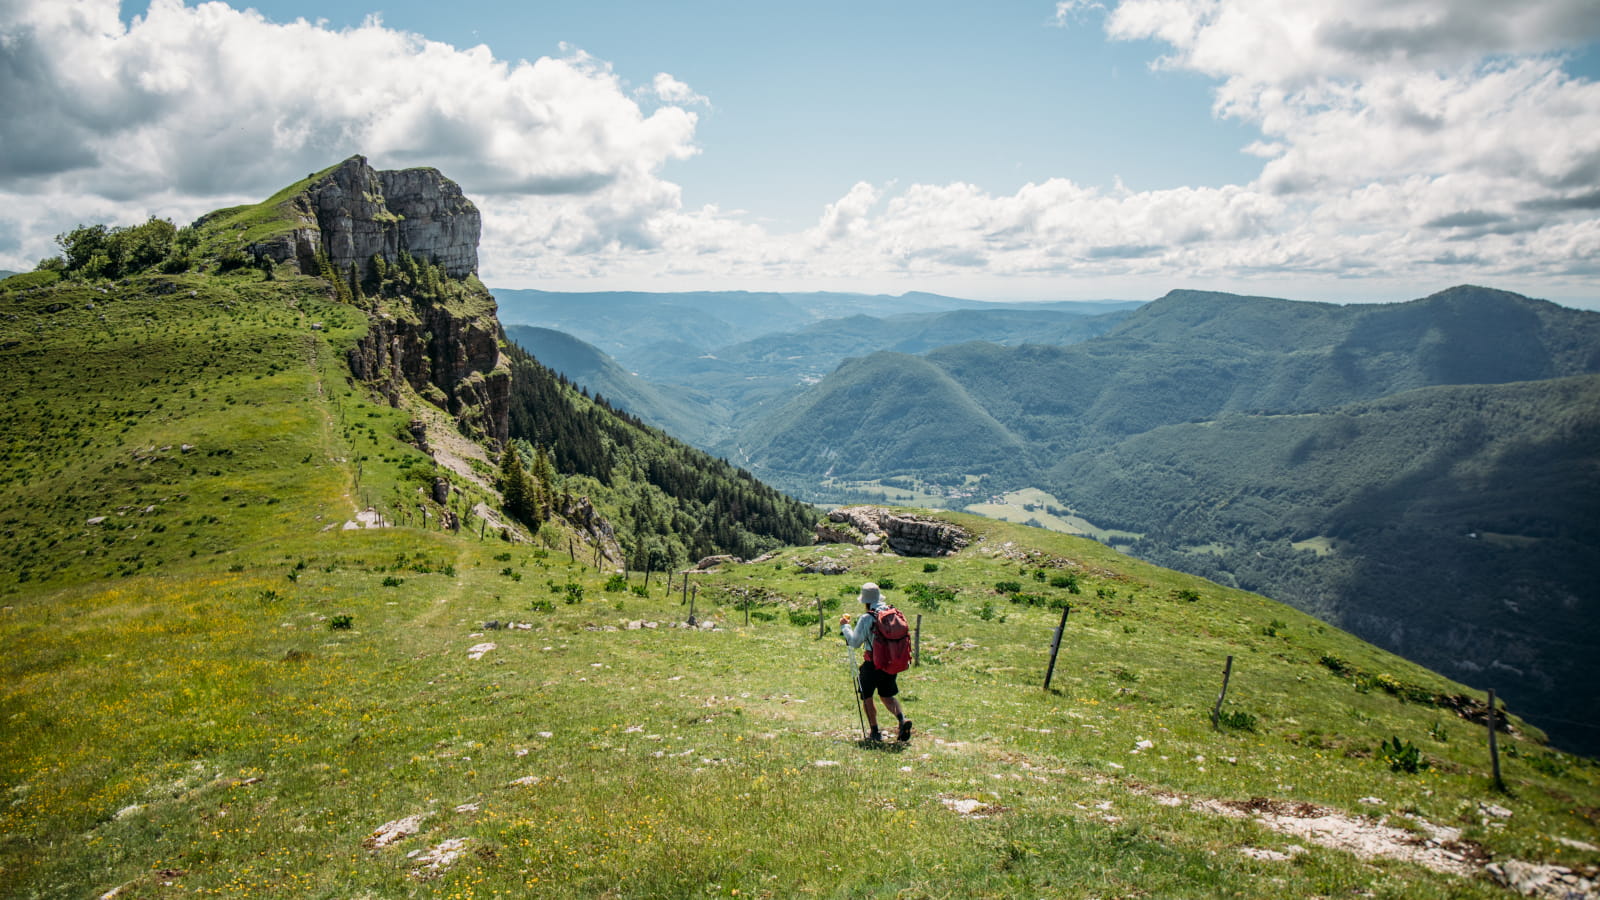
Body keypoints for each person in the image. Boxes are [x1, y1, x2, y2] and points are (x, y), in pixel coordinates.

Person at [839, 582, 912, 742]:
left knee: (867, 696)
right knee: (887, 695)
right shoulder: (893, 613)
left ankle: (874, 731)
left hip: (872, 663)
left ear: (865, 601)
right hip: (890, 662)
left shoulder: (867, 618)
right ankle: (901, 719)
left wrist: (845, 628)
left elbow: (854, 643)